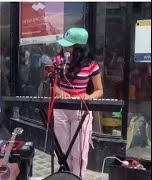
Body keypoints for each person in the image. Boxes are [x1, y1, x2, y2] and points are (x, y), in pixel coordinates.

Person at [53, 27, 103, 178]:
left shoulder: (91, 65)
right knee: (62, 149)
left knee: (79, 151)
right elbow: (53, 85)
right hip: (61, 107)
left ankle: (77, 177)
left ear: (79, 48)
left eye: (69, 45)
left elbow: (99, 90)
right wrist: (60, 92)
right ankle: (65, 176)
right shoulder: (59, 61)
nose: (64, 47)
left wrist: (88, 96)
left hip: (80, 109)